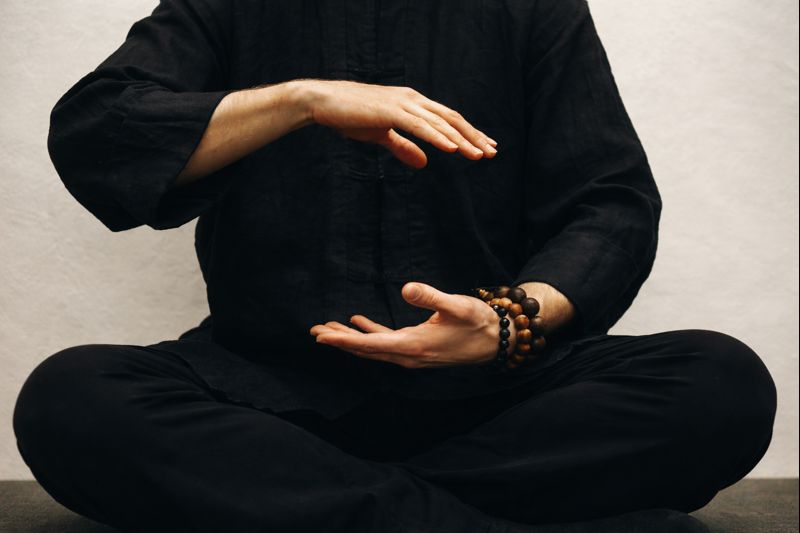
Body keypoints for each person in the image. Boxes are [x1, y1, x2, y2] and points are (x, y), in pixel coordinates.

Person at [13, 0, 776, 532]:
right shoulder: (229, 2)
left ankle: (312, 511)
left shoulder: (535, 5)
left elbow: (610, 203)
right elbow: (98, 131)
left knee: (721, 383)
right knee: (68, 400)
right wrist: (303, 99)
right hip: (265, 405)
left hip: (494, 404)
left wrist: (511, 320)